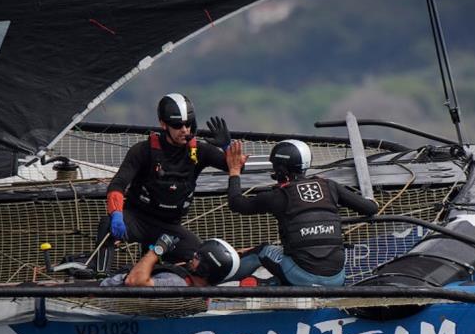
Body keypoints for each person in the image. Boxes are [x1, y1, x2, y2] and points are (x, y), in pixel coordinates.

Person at [101, 93, 235, 264]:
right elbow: (117, 185)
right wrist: (117, 214)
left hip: (169, 227)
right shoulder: (143, 150)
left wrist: (227, 147)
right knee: (106, 224)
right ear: (163, 124)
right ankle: (100, 277)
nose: (184, 130)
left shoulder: (200, 151)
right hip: (137, 220)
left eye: (188, 124)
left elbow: (236, 167)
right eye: (177, 125)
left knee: (200, 258)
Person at [225, 139, 379, 286]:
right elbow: (370, 208)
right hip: (336, 279)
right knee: (294, 258)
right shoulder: (329, 186)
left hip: (302, 276)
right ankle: (270, 284)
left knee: (261, 251)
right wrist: (372, 202)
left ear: (280, 168)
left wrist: (234, 170)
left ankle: (210, 283)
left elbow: (236, 203)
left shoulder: (278, 196)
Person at [100, 234, 239, 287]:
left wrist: (157, 249)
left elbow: (134, 281)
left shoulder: (178, 283)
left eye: (197, 257)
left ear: (206, 268)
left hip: (97, 297)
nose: (192, 258)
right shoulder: (199, 293)